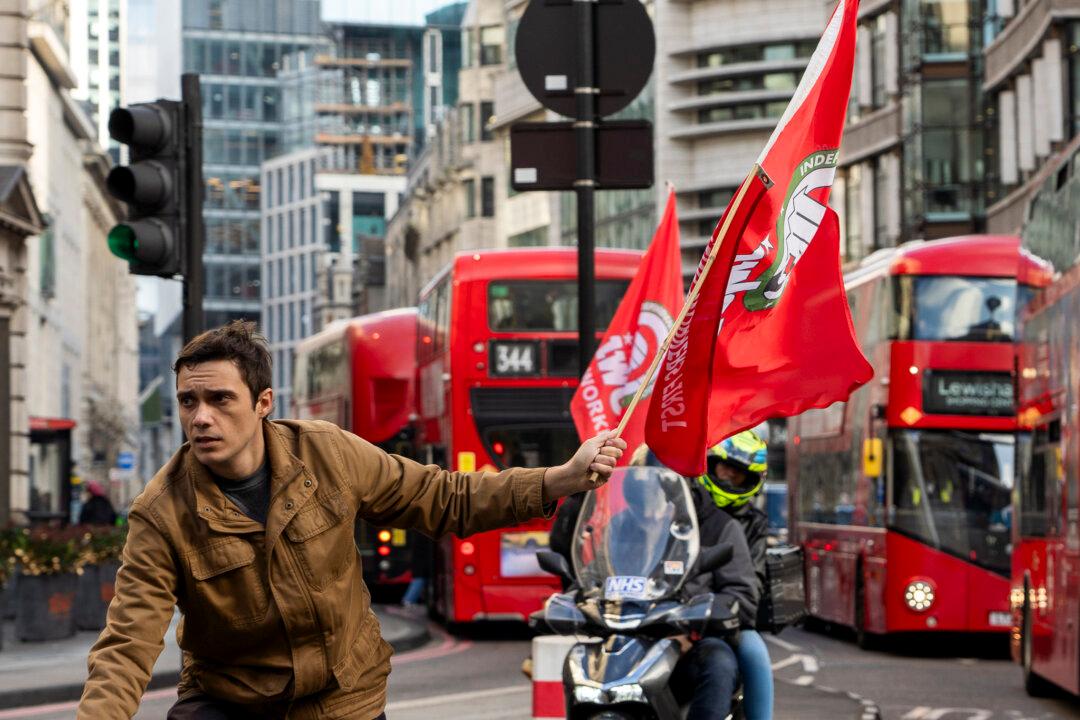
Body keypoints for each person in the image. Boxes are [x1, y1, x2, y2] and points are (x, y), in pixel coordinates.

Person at [77, 321, 625, 720]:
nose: (200, 417)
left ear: (264, 401)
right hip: (230, 702)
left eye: (220, 399)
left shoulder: (328, 453)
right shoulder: (161, 510)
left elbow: (445, 497)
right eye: (187, 401)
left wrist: (559, 479)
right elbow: (128, 643)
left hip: (344, 700)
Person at [549, 443, 758, 720]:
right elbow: (596, 578)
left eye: (658, 490)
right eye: (641, 490)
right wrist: (576, 598)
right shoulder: (619, 526)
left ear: (679, 490)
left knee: (719, 662)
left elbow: (742, 596)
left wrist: (696, 624)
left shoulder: (719, 528)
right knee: (579, 660)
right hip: (628, 639)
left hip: (689, 644)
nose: (649, 503)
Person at [699, 431, 774, 720]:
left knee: (755, 655)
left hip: (727, 615)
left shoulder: (754, 523)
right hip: (674, 608)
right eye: (725, 466)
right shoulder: (686, 504)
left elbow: (751, 580)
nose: (729, 476)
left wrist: (724, 608)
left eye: (739, 473)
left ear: (750, 481)